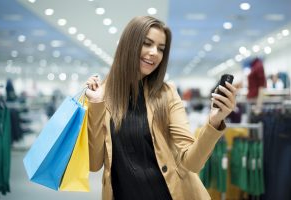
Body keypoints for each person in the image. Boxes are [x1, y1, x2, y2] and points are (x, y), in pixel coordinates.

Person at [85, 16, 236, 200]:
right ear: (128, 44)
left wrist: (214, 122)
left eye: (161, 48)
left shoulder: (167, 93)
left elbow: (192, 163)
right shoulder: (102, 96)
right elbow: (94, 163)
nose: (154, 53)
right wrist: (96, 105)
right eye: (147, 44)